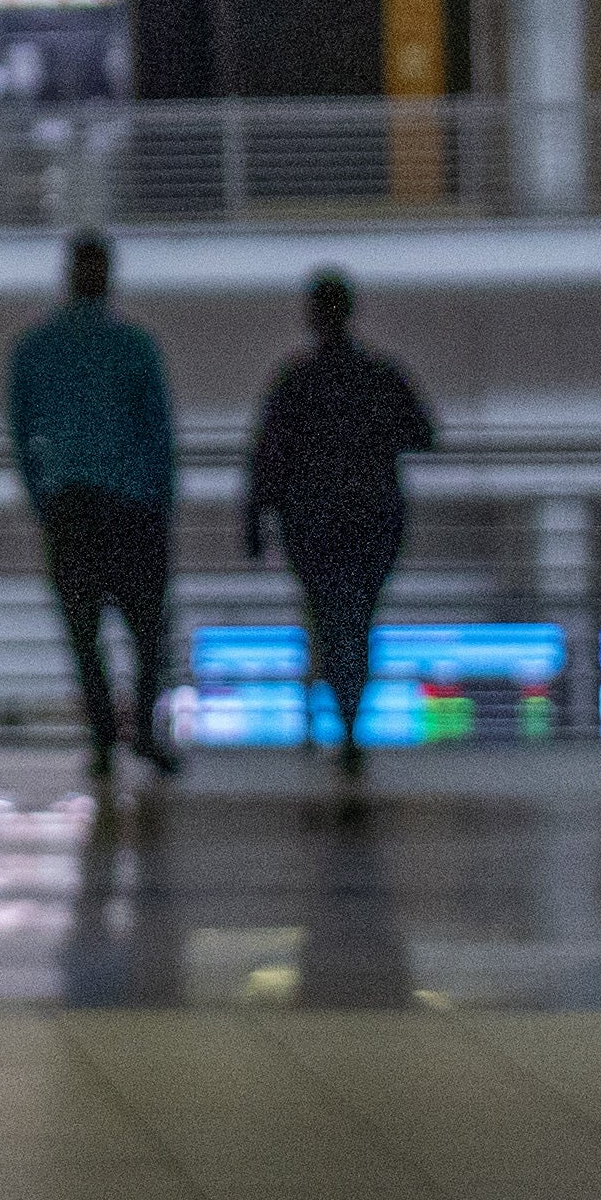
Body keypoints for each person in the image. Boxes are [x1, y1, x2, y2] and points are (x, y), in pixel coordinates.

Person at [243, 266, 441, 803]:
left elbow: (265, 457)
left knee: (326, 615)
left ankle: (329, 718)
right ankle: (350, 725)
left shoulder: (295, 380)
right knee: (358, 619)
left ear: (312, 315)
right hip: (373, 517)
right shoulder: (377, 374)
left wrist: (255, 522)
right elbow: (424, 433)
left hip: (311, 521)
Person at [4, 229, 182, 786]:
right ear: (107, 276)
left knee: (84, 632)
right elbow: (159, 435)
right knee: (148, 629)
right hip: (132, 508)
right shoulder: (134, 346)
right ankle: (146, 733)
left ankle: (104, 737)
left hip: (69, 507)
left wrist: (41, 499)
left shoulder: (34, 348)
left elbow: (21, 431)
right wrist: (163, 504)